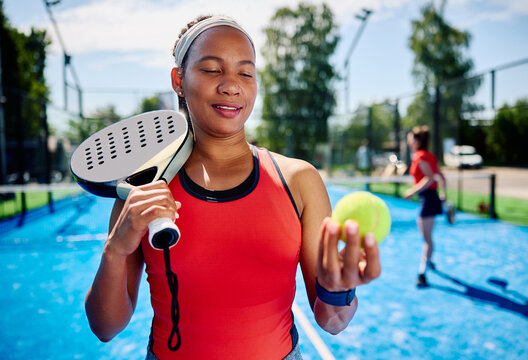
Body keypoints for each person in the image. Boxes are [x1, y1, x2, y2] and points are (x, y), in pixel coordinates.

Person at [84, 15, 381, 360]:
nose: (231, 85)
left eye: (246, 72)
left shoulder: (300, 180)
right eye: (212, 70)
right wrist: (114, 250)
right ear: (178, 80)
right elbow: (105, 328)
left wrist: (338, 288)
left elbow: (333, 321)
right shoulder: (144, 187)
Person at [404, 125, 447, 287]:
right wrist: (444, 196)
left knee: (426, 238)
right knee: (427, 237)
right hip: (431, 198)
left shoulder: (419, 156)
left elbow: (429, 178)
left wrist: (412, 192)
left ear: (416, 141)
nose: (409, 142)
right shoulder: (430, 156)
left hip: (428, 199)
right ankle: (429, 261)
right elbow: (442, 178)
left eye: (410, 139)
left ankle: (422, 273)